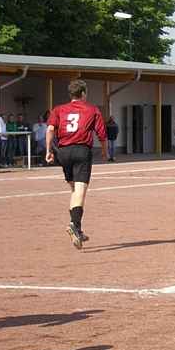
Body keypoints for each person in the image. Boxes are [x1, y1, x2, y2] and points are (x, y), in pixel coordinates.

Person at [45, 80, 107, 249]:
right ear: (84, 93)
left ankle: (77, 229)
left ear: (70, 94)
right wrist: (104, 151)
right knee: (80, 190)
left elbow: (50, 129)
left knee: (74, 190)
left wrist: (48, 150)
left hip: (63, 152)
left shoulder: (58, 109)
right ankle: (74, 224)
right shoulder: (92, 109)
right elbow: (102, 134)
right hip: (81, 151)